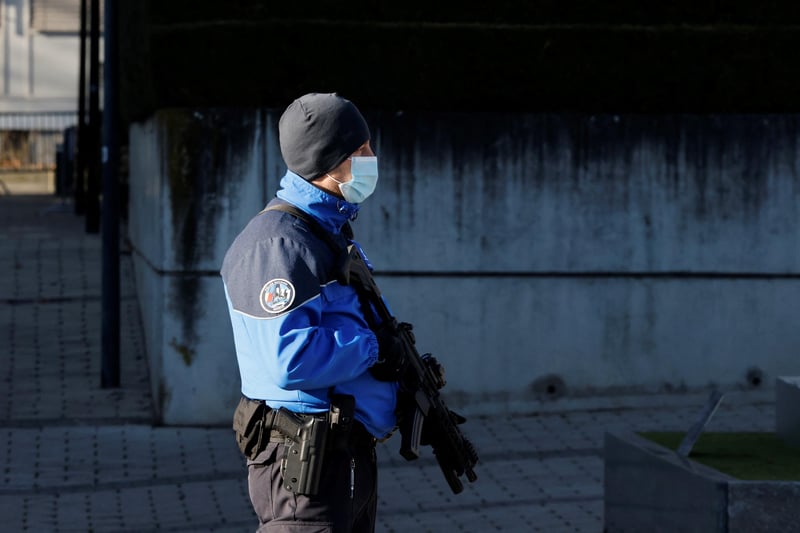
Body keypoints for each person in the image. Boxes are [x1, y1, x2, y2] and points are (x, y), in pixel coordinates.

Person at [221, 93, 406, 533]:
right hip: (304, 462)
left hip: (342, 454)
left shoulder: (326, 230)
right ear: (327, 160)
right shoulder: (278, 243)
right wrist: (374, 348)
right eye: (360, 151)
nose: (371, 158)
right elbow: (288, 357)